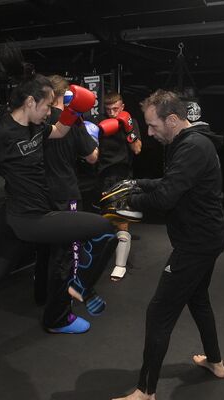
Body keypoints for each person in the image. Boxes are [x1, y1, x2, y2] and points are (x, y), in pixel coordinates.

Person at [0, 49, 117, 355]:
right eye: (46, 106)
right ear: (30, 102)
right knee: (103, 229)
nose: (49, 112)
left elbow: (57, 133)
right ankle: (80, 285)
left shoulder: (33, 126)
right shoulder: (2, 133)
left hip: (15, 215)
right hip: (31, 220)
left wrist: (74, 113)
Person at [105, 90, 224, 400]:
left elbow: (165, 197)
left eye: (153, 126)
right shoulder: (188, 144)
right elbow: (170, 182)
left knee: (159, 313)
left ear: (172, 120)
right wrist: (137, 183)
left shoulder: (192, 148)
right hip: (207, 238)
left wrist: (128, 199)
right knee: (198, 300)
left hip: (195, 244)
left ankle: (145, 392)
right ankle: (216, 362)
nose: (149, 133)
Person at [33, 74, 99, 320]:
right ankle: (59, 312)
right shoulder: (73, 121)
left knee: (44, 249)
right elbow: (92, 157)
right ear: (65, 95)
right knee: (66, 254)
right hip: (66, 193)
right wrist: (94, 135)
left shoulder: (37, 121)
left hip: (40, 193)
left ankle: (41, 296)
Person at [96, 92, 142, 281]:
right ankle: (104, 256)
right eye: (108, 110)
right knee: (104, 220)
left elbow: (137, 149)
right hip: (101, 176)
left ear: (122, 106)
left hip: (122, 176)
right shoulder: (100, 122)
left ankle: (120, 265)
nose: (112, 113)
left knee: (122, 218)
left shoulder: (129, 121)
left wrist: (128, 129)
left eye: (115, 108)